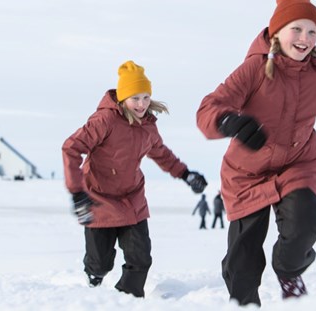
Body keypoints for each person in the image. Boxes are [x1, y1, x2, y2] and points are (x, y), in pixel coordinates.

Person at [196, 0, 316, 306]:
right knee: (243, 261)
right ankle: (244, 303)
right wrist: (229, 122)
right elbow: (210, 108)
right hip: (246, 172)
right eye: (297, 29)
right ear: (277, 31)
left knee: (305, 224)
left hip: (298, 163)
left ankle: (289, 270)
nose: (305, 39)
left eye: (312, 32)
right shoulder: (255, 68)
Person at [63, 60, 208, 298]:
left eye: (145, 97)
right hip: (99, 198)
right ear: (122, 98)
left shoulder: (148, 127)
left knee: (141, 258)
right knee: (100, 263)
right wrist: (77, 191)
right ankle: (93, 287)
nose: (141, 104)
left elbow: (161, 154)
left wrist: (185, 174)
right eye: (135, 98)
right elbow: (70, 148)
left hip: (132, 199)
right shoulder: (104, 121)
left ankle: (127, 300)